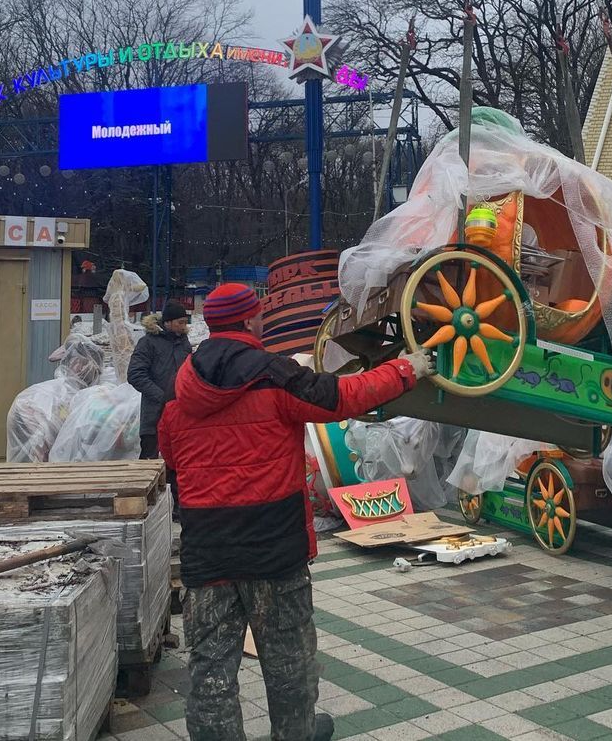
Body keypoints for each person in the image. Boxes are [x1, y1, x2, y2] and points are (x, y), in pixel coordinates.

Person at [158, 282, 434, 741]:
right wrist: (406, 368)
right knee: (288, 662)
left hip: (208, 552)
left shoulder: (183, 390)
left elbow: (171, 454)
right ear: (250, 321)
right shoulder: (275, 375)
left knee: (211, 669)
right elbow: (343, 395)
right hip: (274, 550)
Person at [128, 299, 192, 459]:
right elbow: (135, 374)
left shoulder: (184, 343)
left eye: (185, 322)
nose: (184, 326)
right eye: (180, 322)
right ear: (168, 322)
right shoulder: (148, 343)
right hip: (154, 415)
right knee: (150, 463)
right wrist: (162, 397)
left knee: (179, 462)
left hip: (181, 414)